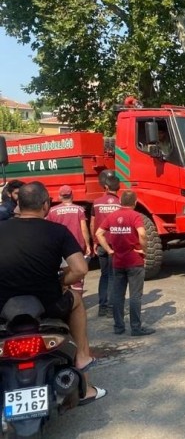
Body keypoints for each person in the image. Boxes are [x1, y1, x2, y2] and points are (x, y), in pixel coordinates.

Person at [0, 182, 106, 404]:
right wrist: (61, 281)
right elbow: (80, 269)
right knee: (77, 302)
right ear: (46, 204)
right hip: (49, 305)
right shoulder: (57, 231)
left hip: (3, 308)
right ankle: (83, 362)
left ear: (18, 203)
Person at [96, 190, 155, 337]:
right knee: (135, 296)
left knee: (118, 295)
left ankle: (118, 327)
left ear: (120, 202)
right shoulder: (135, 216)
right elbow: (142, 233)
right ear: (135, 203)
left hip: (118, 261)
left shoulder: (112, 216)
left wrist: (109, 250)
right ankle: (136, 328)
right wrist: (143, 250)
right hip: (134, 261)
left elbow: (98, 233)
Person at [46, 185, 91, 291]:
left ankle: (66, 301)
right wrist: (88, 245)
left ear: (60, 197)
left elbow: (49, 230)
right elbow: (84, 229)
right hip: (76, 247)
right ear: (72, 195)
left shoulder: (52, 211)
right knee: (78, 276)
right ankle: (78, 301)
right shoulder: (79, 209)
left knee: (63, 275)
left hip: (59, 248)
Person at [90, 172, 121, 317]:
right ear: (118, 188)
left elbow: (92, 224)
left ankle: (102, 306)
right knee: (114, 276)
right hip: (115, 245)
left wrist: (94, 242)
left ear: (106, 187)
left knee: (104, 275)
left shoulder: (96, 202)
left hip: (101, 243)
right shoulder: (121, 203)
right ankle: (110, 308)